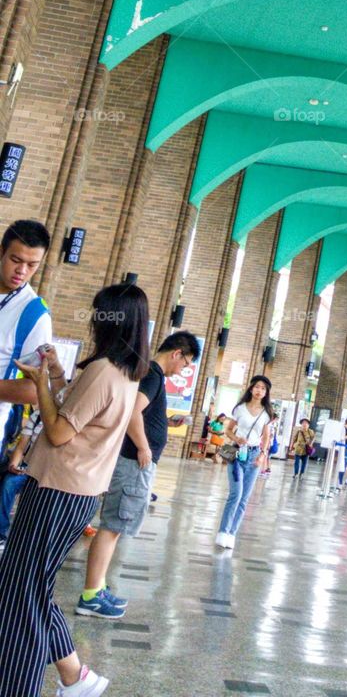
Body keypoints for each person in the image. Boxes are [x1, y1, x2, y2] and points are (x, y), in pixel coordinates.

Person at [0, 281, 150, 697]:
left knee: (21, 597)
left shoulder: (104, 370)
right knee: (26, 587)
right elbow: (78, 411)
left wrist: (39, 386)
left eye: (101, 314)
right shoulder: (124, 371)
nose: (95, 321)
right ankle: (75, 677)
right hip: (73, 493)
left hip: (58, 491)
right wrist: (58, 375)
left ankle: (19, 687)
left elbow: (61, 430)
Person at [77, 330, 200, 619]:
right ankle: (91, 595)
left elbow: (142, 413)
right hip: (134, 462)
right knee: (112, 527)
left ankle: (98, 587)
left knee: (115, 527)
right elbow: (133, 412)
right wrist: (144, 447)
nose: (183, 369)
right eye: (186, 363)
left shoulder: (150, 373)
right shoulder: (154, 374)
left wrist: (167, 422)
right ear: (176, 353)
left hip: (135, 463)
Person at [0, 220, 52, 463]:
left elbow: (34, 390)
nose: (22, 271)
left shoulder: (34, 315)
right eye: (16, 260)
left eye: (32, 265)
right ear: (1, 252)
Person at [215, 375, 272, 550]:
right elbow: (229, 430)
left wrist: (262, 455)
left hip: (254, 456)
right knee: (236, 494)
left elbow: (266, 437)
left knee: (244, 499)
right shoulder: (240, 409)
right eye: (257, 387)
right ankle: (223, 532)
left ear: (266, 392)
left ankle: (231, 534)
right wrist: (237, 438)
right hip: (237, 455)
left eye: (263, 388)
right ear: (251, 388)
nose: (259, 390)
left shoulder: (266, 413)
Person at [0, 405, 43, 552]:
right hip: (27, 464)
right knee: (9, 482)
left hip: (48, 470)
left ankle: (31, 539)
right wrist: (13, 465)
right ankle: (1, 533)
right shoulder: (37, 415)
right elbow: (21, 446)